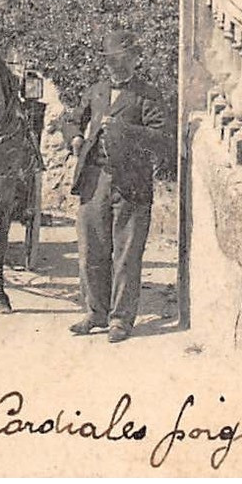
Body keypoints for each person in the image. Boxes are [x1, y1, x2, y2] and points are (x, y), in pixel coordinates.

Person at [61, 29, 175, 344]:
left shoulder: (147, 95)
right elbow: (69, 119)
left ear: (135, 60)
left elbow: (162, 137)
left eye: (122, 60)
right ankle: (95, 313)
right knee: (91, 251)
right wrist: (74, 136)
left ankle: (120, 320)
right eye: (111, 60)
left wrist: (124, 129)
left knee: (126, 254)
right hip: (93, 180)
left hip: (131, 184)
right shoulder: (95, 91)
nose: (115, 66)